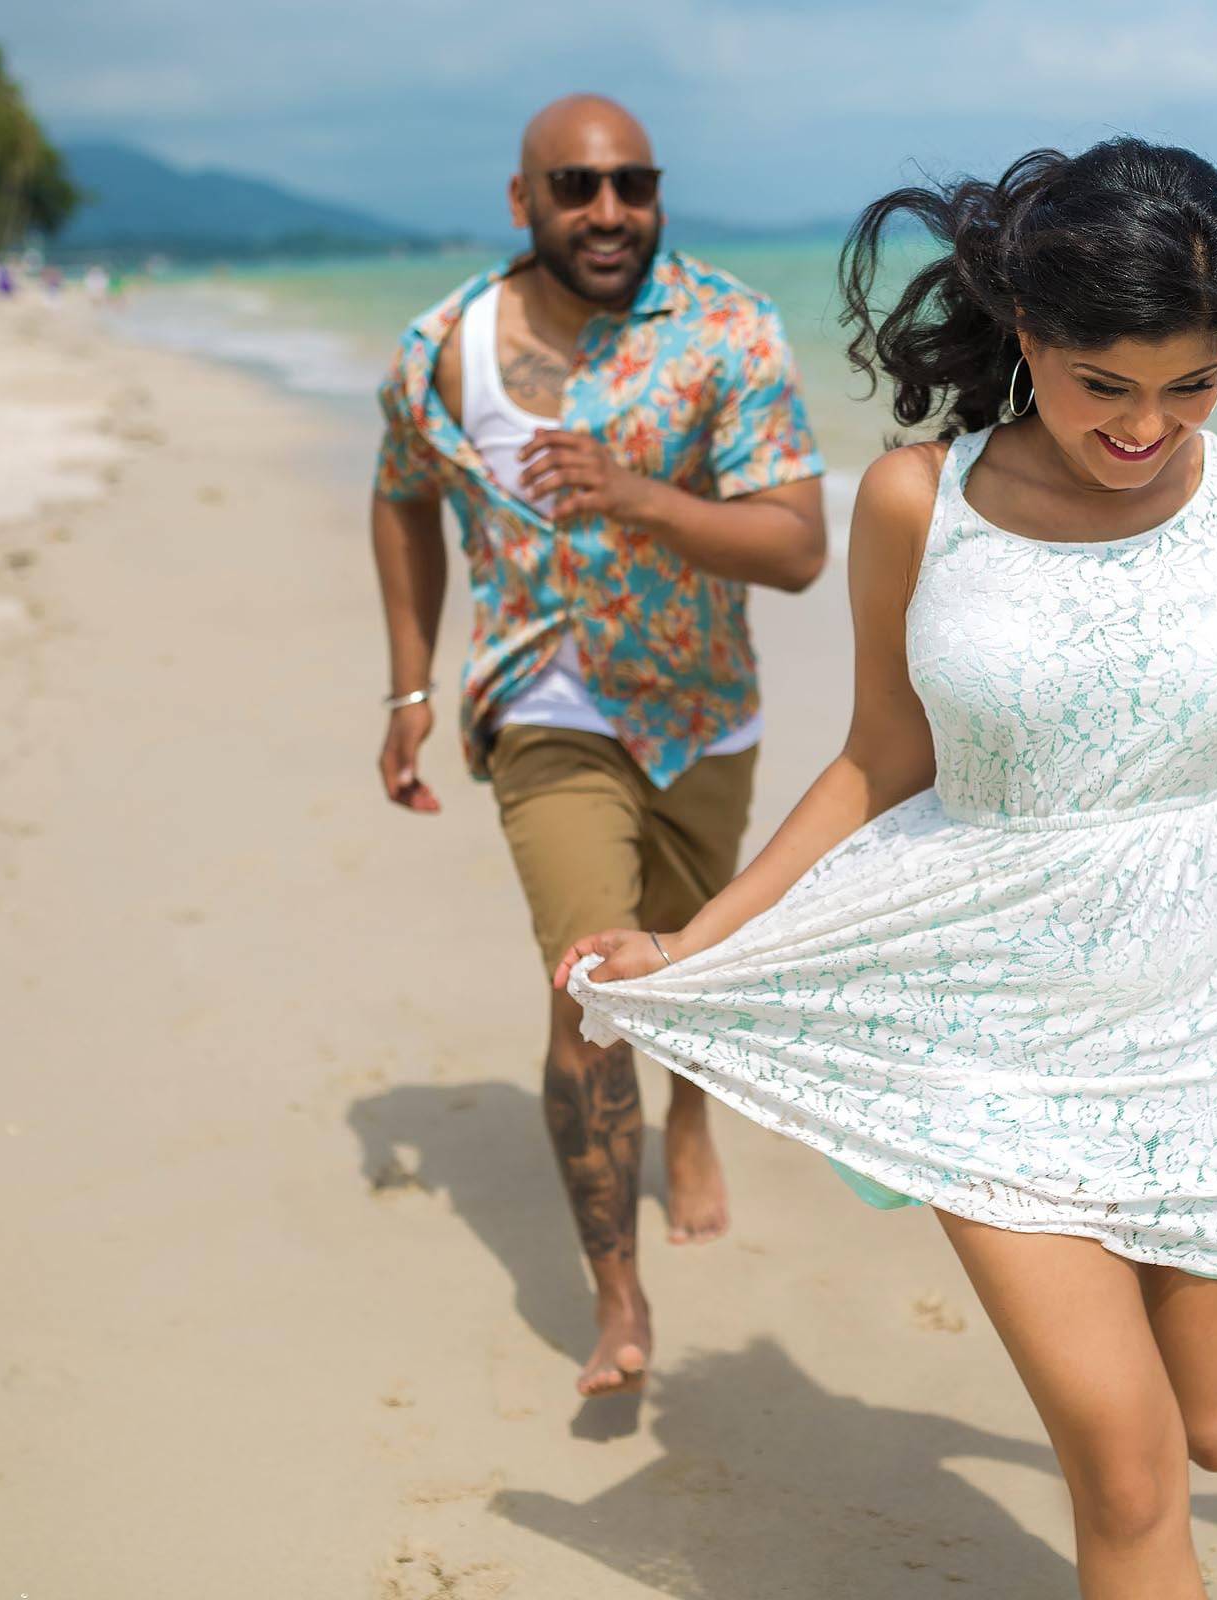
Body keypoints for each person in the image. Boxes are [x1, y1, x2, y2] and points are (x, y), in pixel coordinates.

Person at [561, 138, 1217, 1593]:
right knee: (1128, 1484)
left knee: (1214, 1431)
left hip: (1208, 1011)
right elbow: (882, 757)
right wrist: (695, 948)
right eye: (1104, 386)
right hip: (985, 1019)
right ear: (1027, 336)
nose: (1148, 427)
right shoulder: (913, 505)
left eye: (1192, 382)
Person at [369, 94, 826, 1398]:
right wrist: (409, 691)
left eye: (632, 184)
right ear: (523, 203)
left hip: (699, 715)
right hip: (544, 712)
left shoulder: (726, 329)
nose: (609, 211)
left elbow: (797, 547)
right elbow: (401, 495)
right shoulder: (440, 348)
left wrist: (635, 497)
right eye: (576, 187)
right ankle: (617, 1295)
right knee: (592, 979)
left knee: (681, 965)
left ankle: (691, 1113)